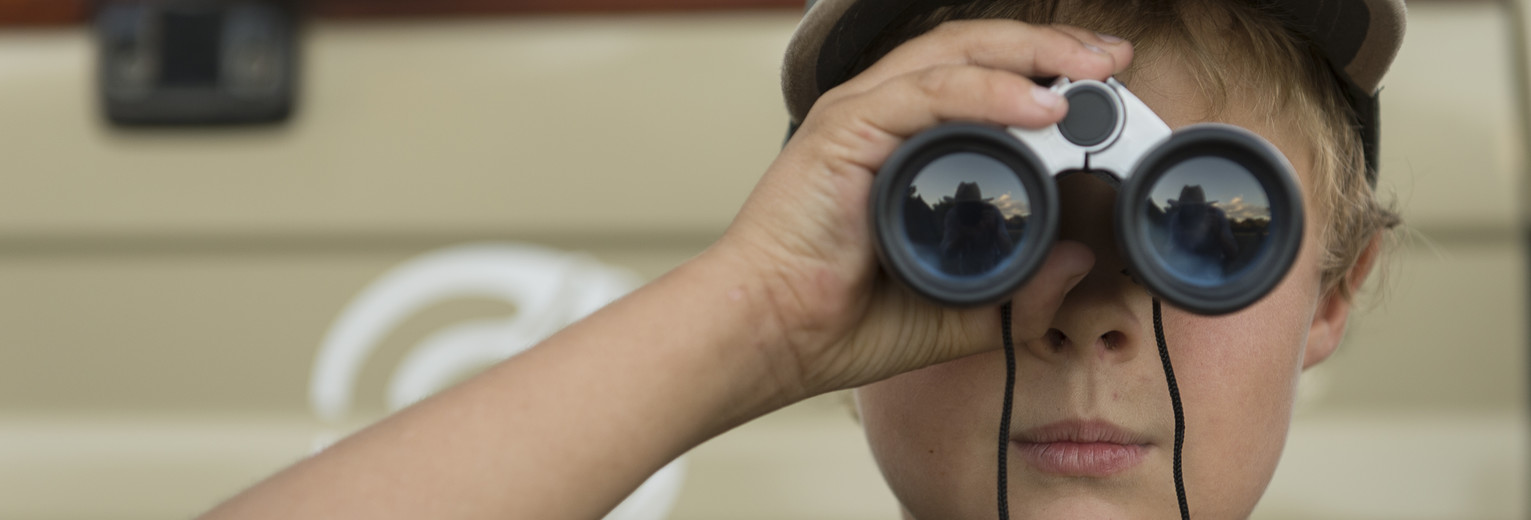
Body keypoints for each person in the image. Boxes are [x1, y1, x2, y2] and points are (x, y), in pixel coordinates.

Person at [200, 0, 1404, 518]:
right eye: (976, 221)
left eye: (1198, 222)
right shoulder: (784, 305)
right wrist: (756, 318)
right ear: (865, 254)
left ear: (1329, 292)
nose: (1086, 315)